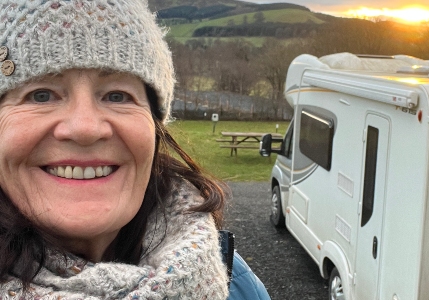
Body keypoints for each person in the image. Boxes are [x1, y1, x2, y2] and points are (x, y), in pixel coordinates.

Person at [0, 0, 269, 299]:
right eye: (40, 95)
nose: (86, 128)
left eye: (117, 95)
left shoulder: (237, 283)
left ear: (155, 128)